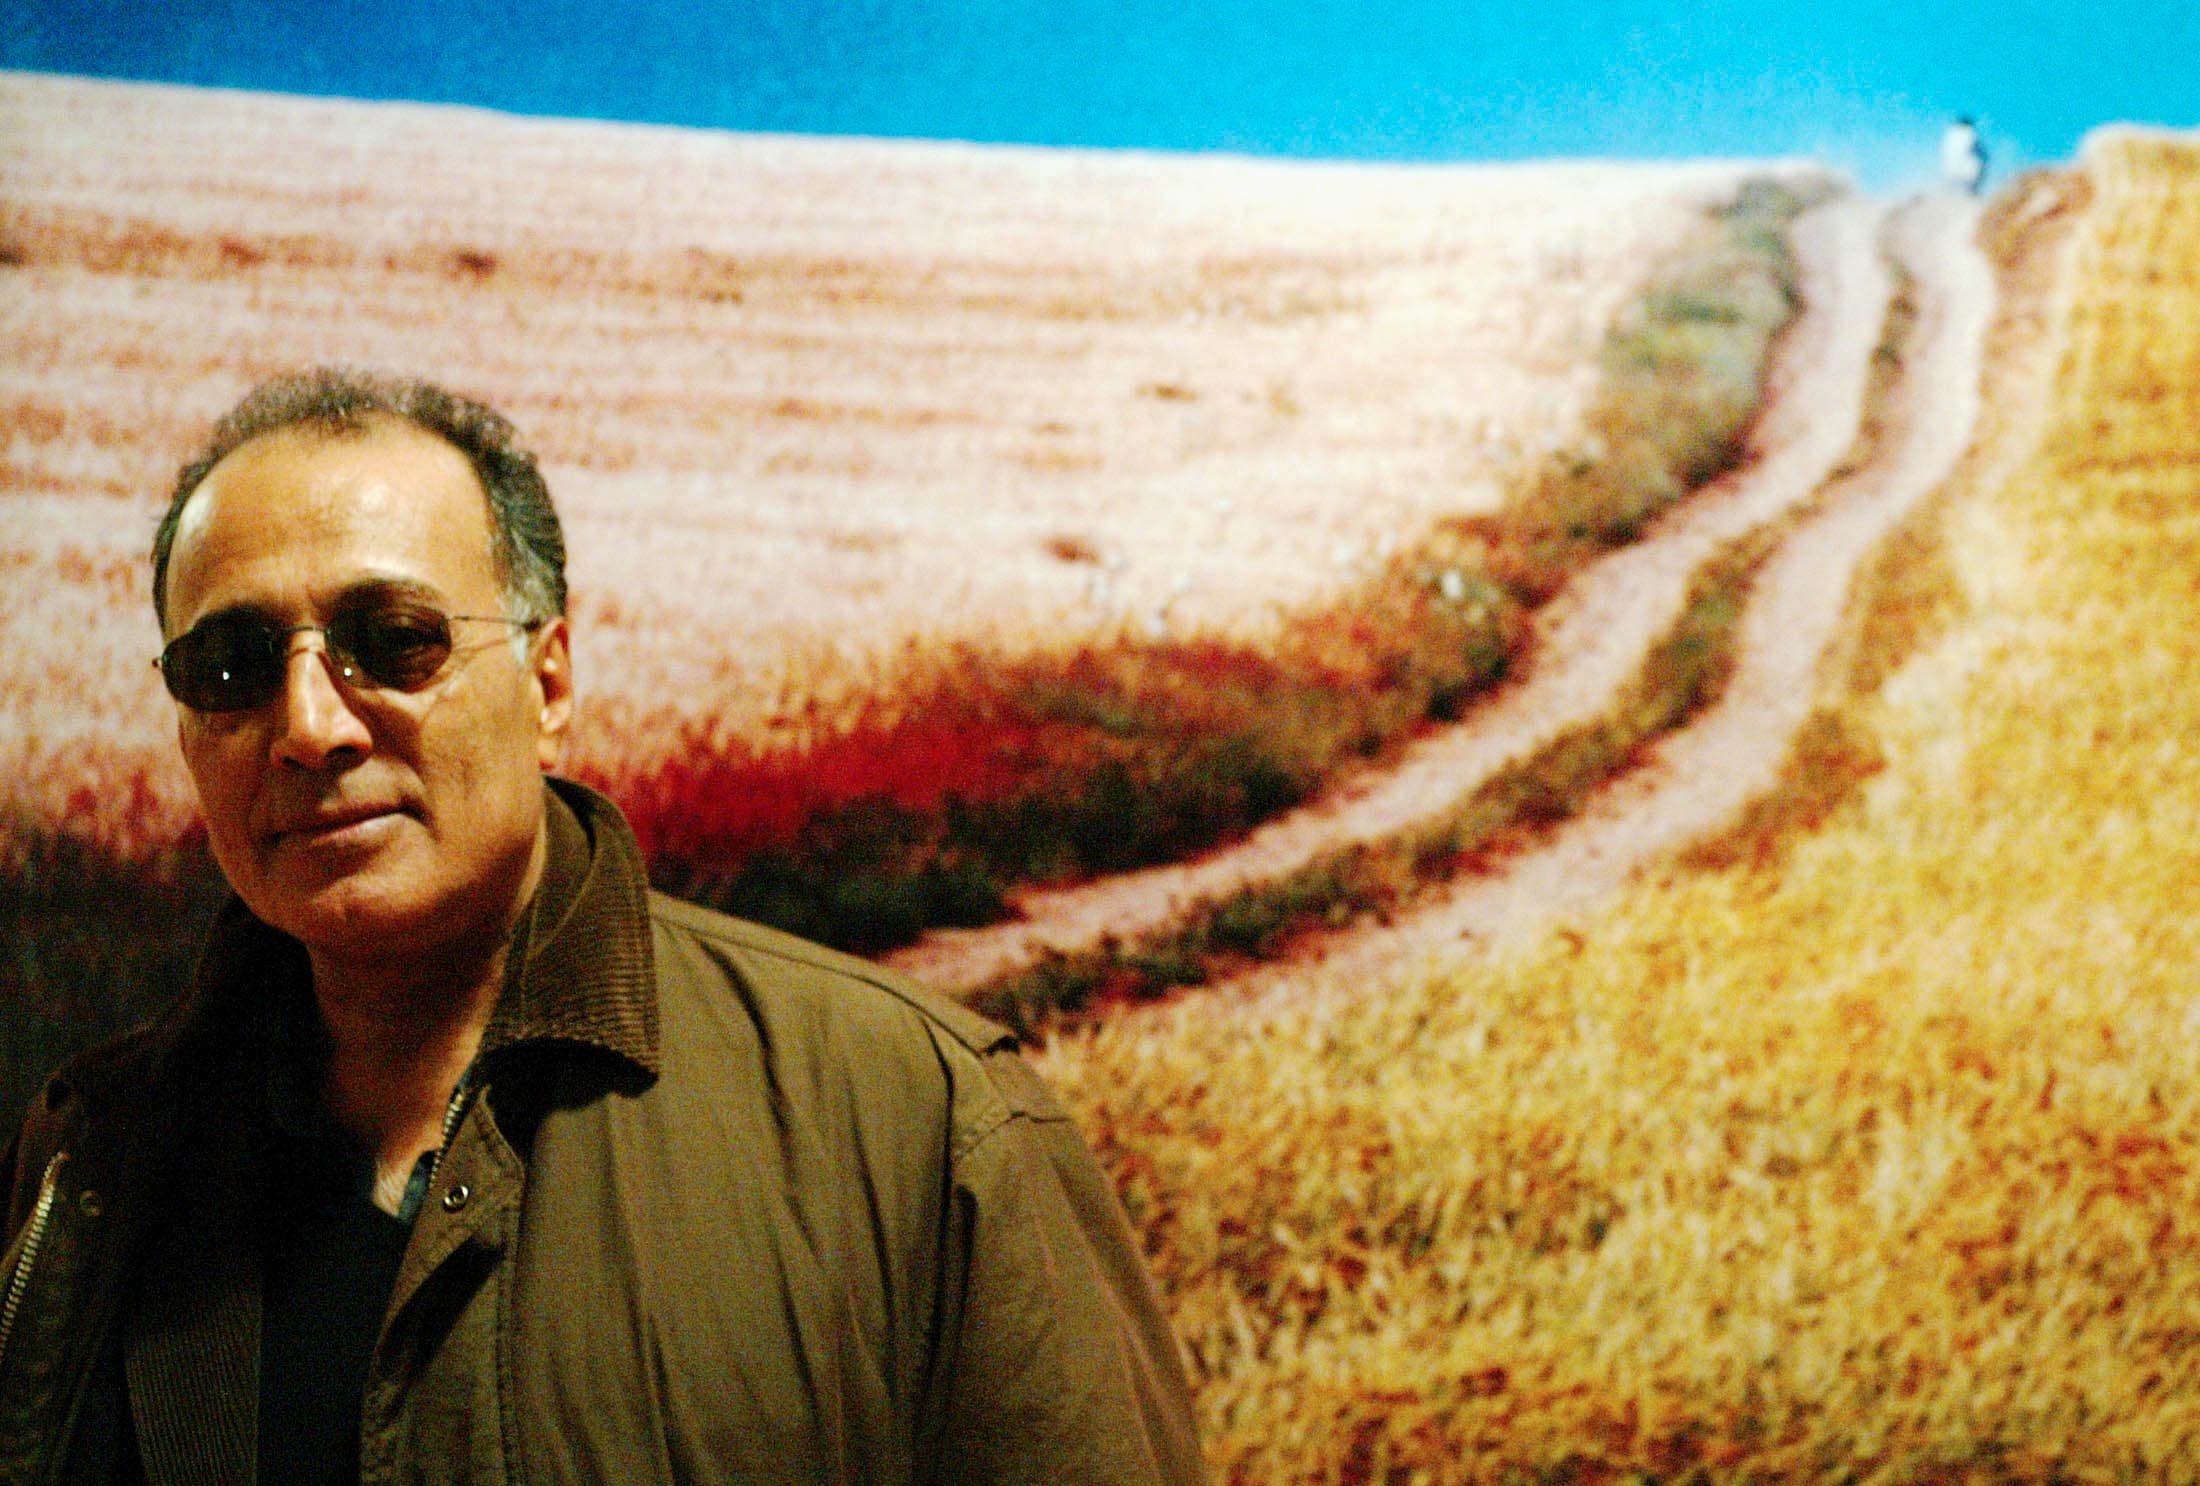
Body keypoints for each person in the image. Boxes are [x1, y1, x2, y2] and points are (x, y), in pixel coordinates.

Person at [0, 368, 1204, 1484]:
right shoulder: (93, 1157)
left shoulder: (915, 1119)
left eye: (397, 641)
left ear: (550, 683)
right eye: (230, 666)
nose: (312, 725)